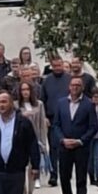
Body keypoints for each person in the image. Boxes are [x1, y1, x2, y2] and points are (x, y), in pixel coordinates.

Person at [53, 75, 98, 194]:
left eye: (78, 85)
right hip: (65, 147)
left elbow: (93, 127)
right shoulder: (61, 104)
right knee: (64, 179)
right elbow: (56, 125)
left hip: (81, 148)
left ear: (82, 88)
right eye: (73, 85)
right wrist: (62, 139)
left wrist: (80, 141)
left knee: (80, 180)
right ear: (69, 87)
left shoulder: (88, 105)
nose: (75, 88)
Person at [40, 56, 71, 185]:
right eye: (55, 66)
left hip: (67, 117)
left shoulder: (69, 79)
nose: (57, 68)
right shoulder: (47, 81)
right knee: (53, 147)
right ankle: (54, 175)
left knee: (67, 147)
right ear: (51, 66)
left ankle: (66, 173)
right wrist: (45, 117)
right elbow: (43, 100)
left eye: (60, 65)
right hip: (52, 118)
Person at [17, 79, 48, 194]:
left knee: (32, 168)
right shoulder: (15, 105)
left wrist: (42, 142)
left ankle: (30, 193)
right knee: (21, 169)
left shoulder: (39, 104)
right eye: (23, 90)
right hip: (20, 140)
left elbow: (41, 124)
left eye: (27, 89)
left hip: (34, 140)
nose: (25, 92)